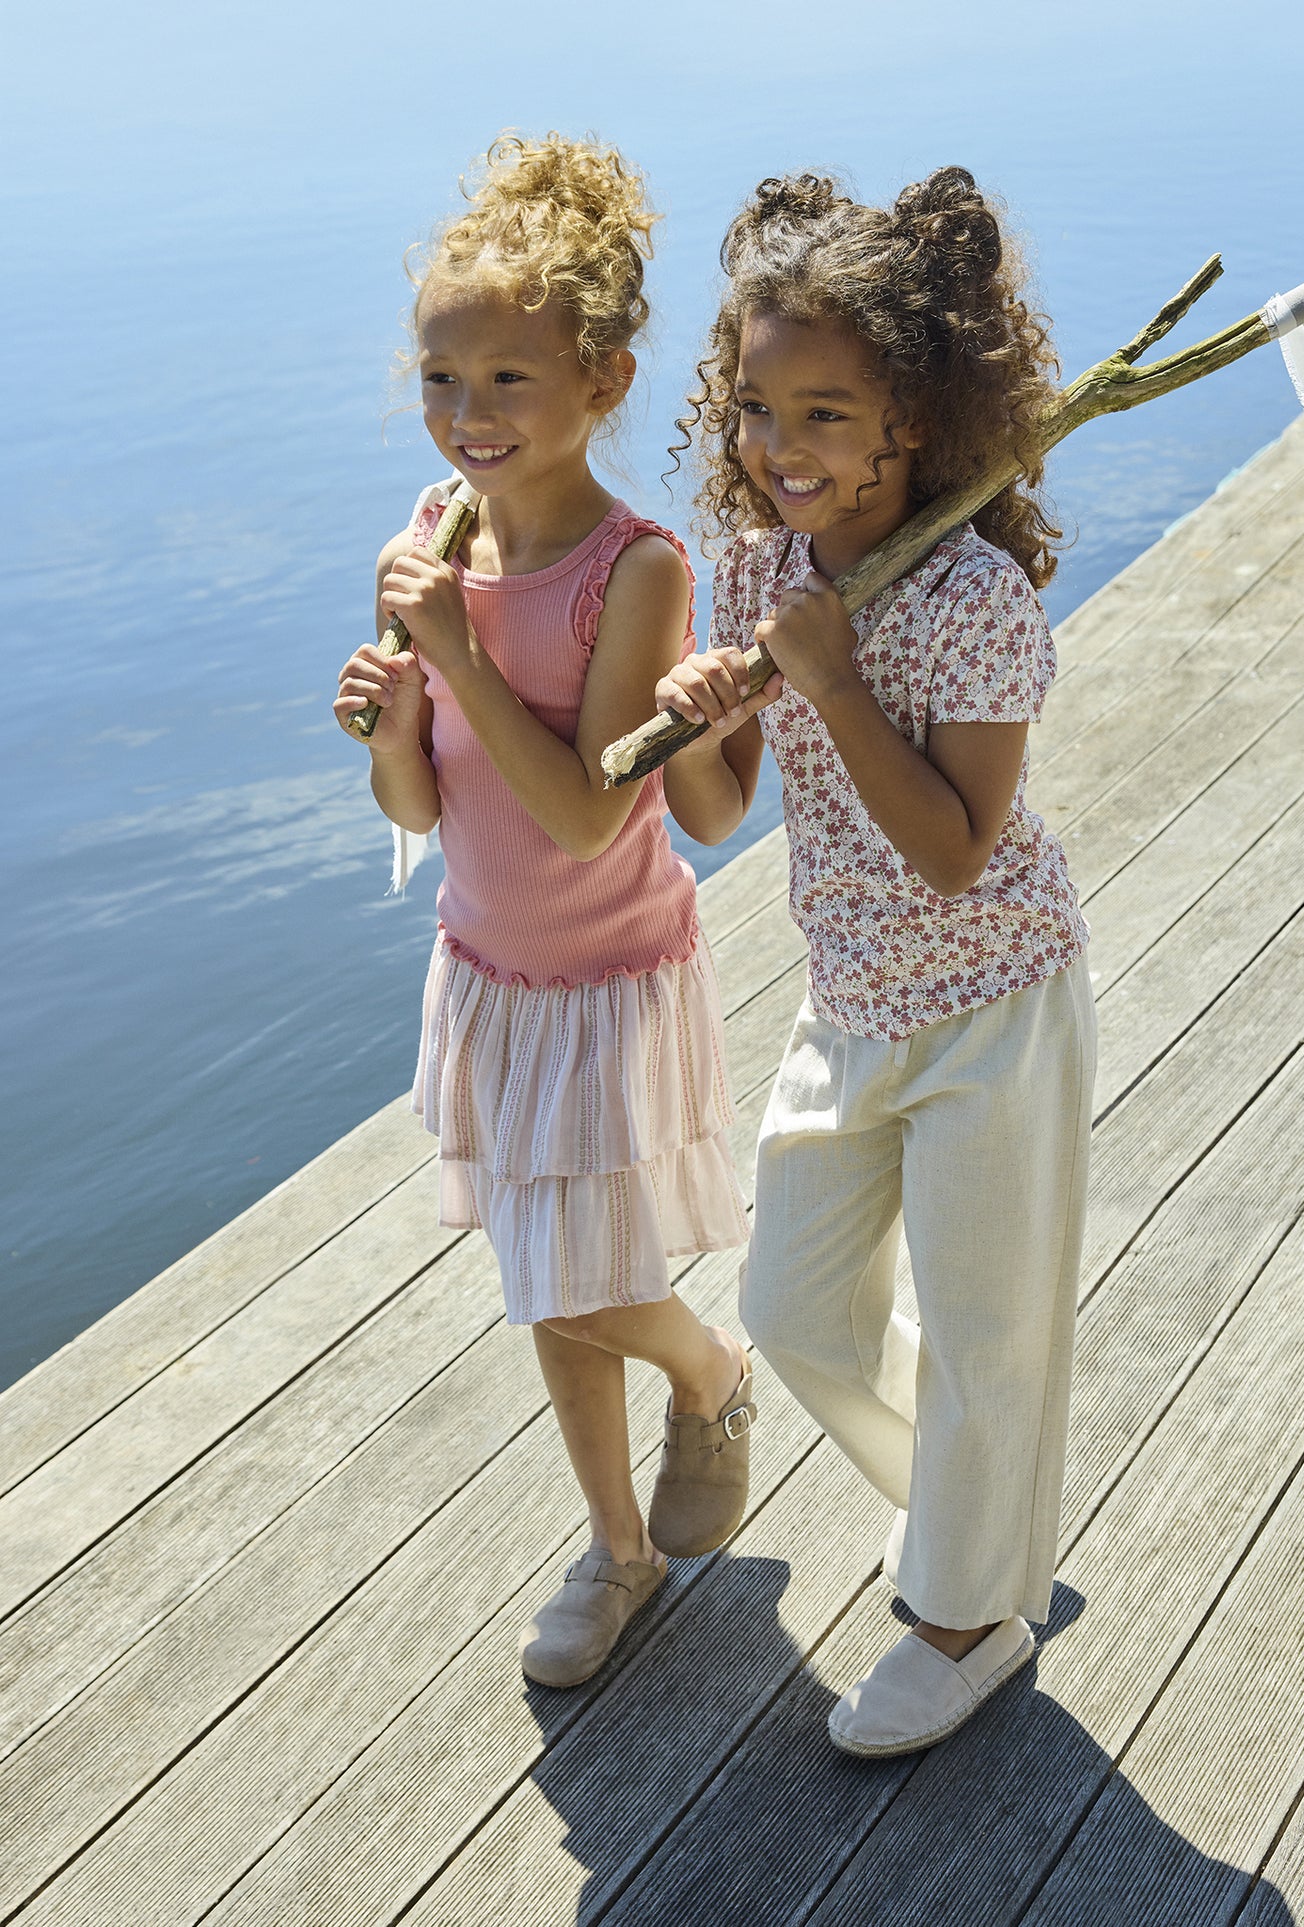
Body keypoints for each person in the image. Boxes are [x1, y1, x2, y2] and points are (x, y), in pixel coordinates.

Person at [658, 168, 1095, 1756]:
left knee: (988, 1327)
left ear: (914, 421)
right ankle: (986, 1515)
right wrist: (702, 719)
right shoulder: (759, 561)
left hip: (992, 1003)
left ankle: (966, 1610)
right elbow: (716, 811)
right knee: (794, 1315)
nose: (785, 450)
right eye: (761, 408)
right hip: (844, 1005)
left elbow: (958, 846)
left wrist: (830, 685)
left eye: (828, 414)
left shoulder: (974, 595)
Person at [334, 134, 754, 1691]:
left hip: (604, 980)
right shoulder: (439, 535)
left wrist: (449, 654)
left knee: (567, 1277)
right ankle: (618, 1547)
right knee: (547, 1284)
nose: (465, 418)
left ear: (602, 382)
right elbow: (419, 812)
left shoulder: (632, 571)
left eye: (507, 381)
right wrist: (393, 719)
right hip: (489, 980)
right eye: (444, 381)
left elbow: (592, 815)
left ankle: (708, 1370)